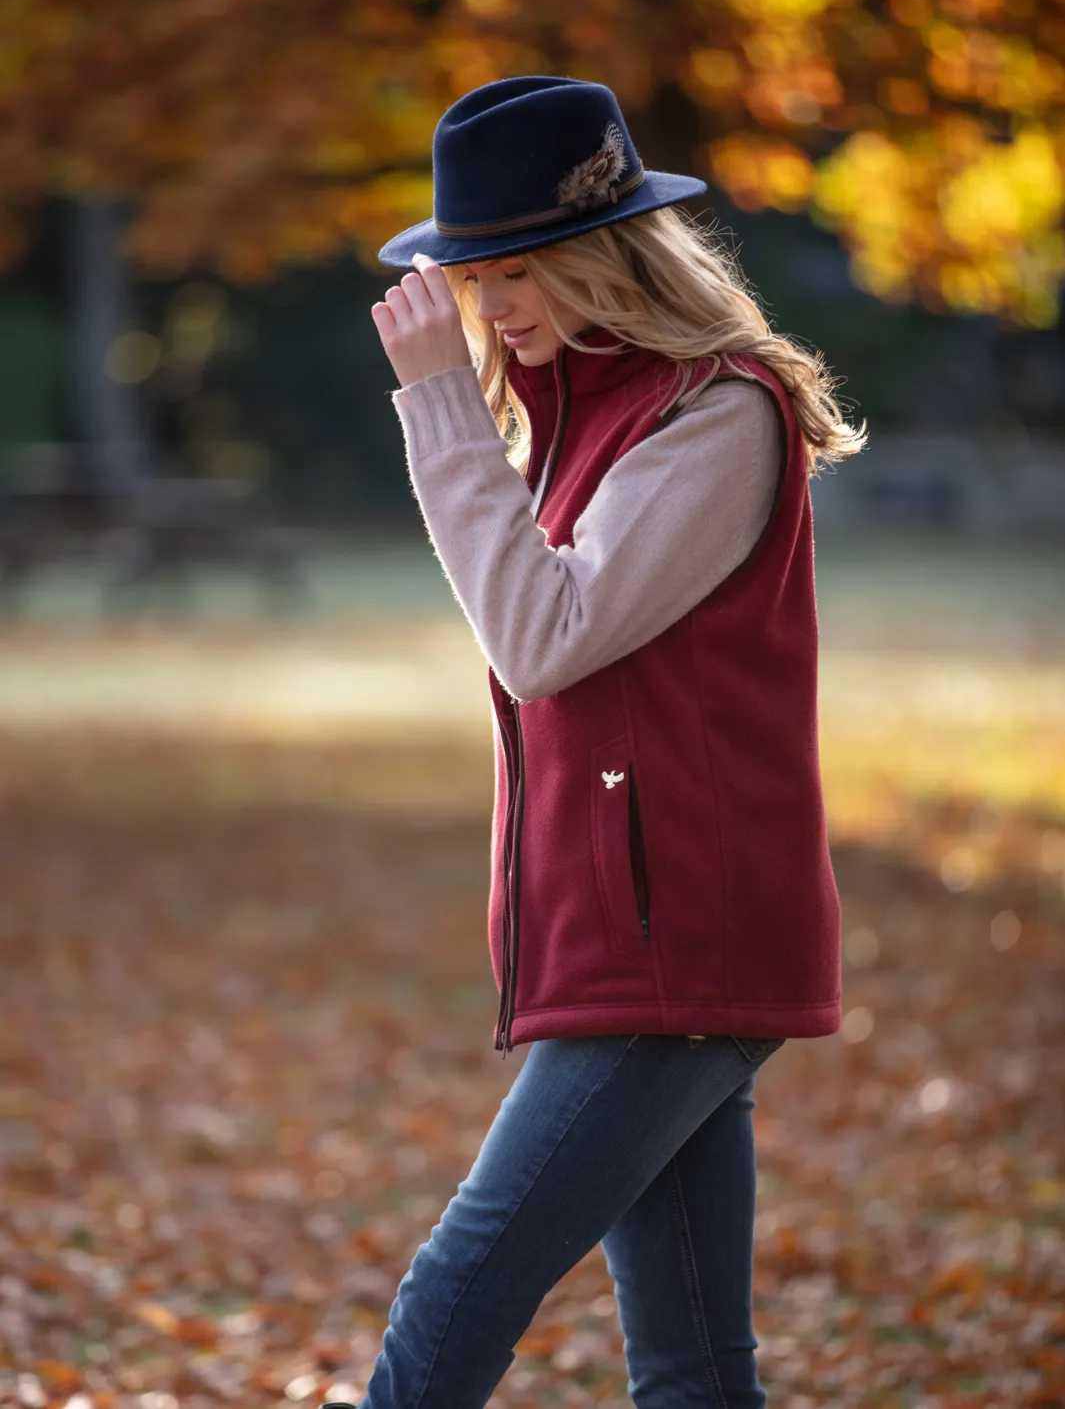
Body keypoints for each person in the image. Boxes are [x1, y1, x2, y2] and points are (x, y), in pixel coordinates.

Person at [326, 76, 866, 1409]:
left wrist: (440, 406)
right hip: (636, 943)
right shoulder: (584, 411)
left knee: (455, 1299)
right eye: (471, 273)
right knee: (692, 1369)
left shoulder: (713, 418)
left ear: (600, 252)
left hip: (679, 944)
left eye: (516, 268)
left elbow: (541, 638)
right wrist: (482, 408)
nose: (489, 304)